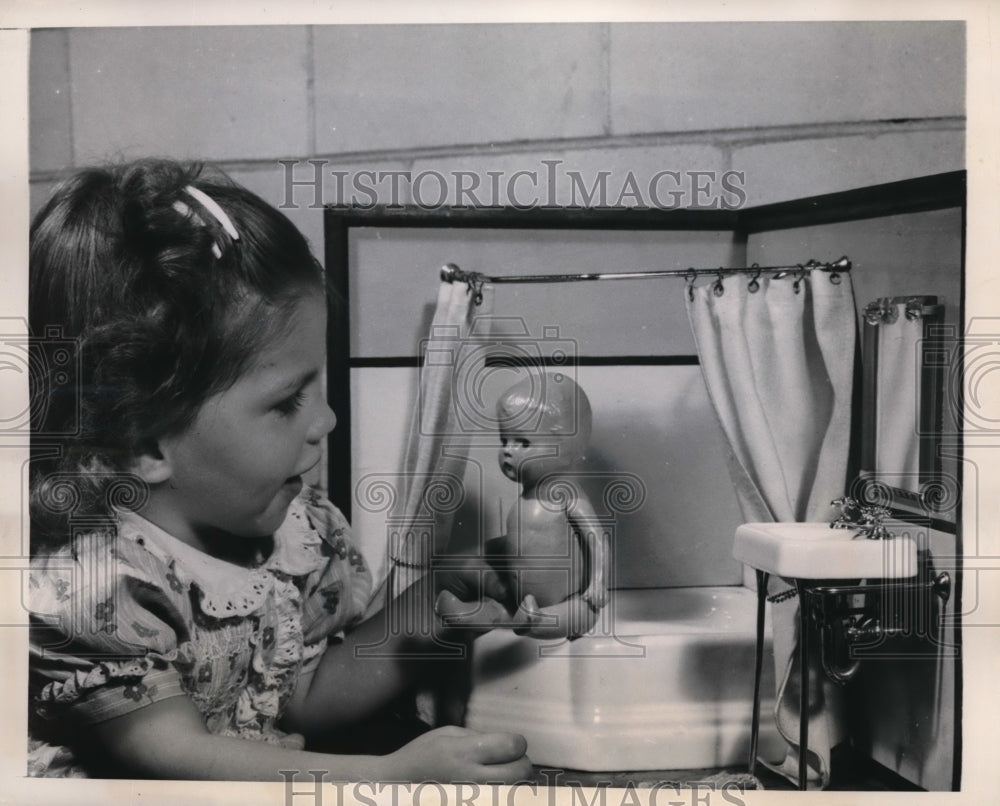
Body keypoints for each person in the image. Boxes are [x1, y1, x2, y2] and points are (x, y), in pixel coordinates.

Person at [26, 158, 532, 782]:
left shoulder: (293, 534)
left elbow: (302, 694)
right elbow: (172, 757)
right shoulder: (98, 587)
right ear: (145, 446)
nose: (325, 421)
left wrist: (433, 601)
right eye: (287, 400)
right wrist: (386, 779)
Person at [434, 373, 610, 639]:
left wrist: (598, 583)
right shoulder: (525, 500)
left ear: (568, 448)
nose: (508, 450)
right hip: (519, 597)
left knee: (582, 612)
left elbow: (596, 538)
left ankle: (539, 621)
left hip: (567, 597)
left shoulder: (565, 494)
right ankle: (473, 614)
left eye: (523, 443)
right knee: (500, 607)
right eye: (505, 441)